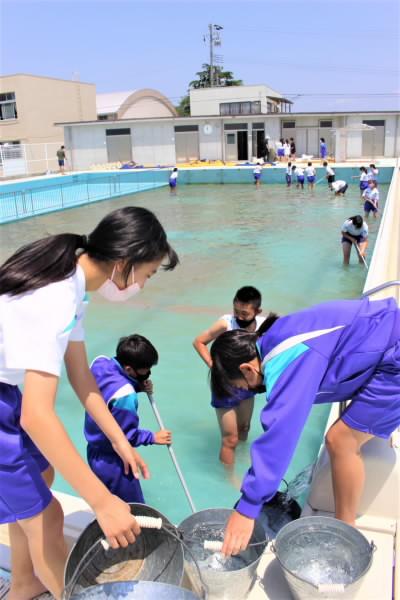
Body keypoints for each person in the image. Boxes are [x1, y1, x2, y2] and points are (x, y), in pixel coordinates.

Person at [0, 206, 179, 599]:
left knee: (43, 478)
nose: (143, 285)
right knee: (48, 518)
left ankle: (25, 583)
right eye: (148, 274)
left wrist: (119, 440)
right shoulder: (54, 297)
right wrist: (102, 502)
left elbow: (82, 377)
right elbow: (36, 416)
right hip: (5, 401)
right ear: (125, 262)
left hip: (6, 393)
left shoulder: (72, 286)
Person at [210, 296, 400, 556]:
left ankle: (346, 533)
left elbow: (281, 435)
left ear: (247, 369)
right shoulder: (275, 337)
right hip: (385, 338)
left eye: (244, 388)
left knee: (340, 441)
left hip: (394, 356)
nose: (250, 392)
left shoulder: (285, 361)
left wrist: (247, 508)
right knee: (342, 435)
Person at [85, 334, 172, 503]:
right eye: (145, 370)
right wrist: (152, 437)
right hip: (115, 460)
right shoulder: (126, 396)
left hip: (94, 452)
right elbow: (125, 436)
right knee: (133, 507)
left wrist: (137, 385)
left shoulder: (99, 363)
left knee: (107, 501)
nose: (148, 373)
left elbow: (107, 392)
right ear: (129, 369)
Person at [193, 286, 265, 465]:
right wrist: (215, 367)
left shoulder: (264, 326)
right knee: (230, 439)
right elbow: (199, 342)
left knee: (245, 428)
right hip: (225, 385)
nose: (239, 317)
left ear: (257, 311)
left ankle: (240, 457)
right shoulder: (226, 323)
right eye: (236, 311)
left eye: (245, 314)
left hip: (248, 383)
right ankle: (228, 477)